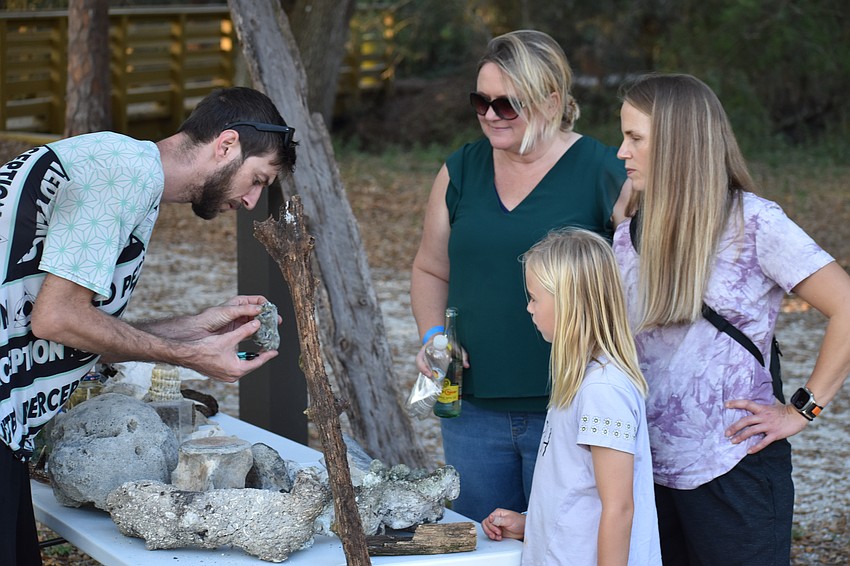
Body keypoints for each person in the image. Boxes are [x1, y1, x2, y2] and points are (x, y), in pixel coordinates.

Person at [1, 86, 297, 565]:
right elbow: (57, 318)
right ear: (226, 146)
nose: (250, 200)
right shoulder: (126, 172)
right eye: (257, 178)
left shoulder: (124, 169)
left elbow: (75, 330)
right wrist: (190, 357)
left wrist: (196, 329)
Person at [613, 73, 850, 564]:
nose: (621, 151)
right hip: (645, 471)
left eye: (634, 137)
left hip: (733, 470)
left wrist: (803, 409)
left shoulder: (754, 223)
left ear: (678, 143)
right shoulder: (628, 234)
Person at [410, 29, 630, 521]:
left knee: (564, 543)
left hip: (570, 404)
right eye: (480, 101)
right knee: (481, 544)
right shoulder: (460, 169)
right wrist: (432, 337)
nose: (490, 115)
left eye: (507, 104)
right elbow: (429, 267)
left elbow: (636, 286)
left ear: (551, 102)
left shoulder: (604, 171)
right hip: (471, 410)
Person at [481, 229, 661, 566]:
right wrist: (529, 525)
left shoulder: (603, 391)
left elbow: (618, 509)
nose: (529, 308)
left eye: (535, 297)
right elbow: (577, 489)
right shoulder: (581, 380)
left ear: (568, 302)